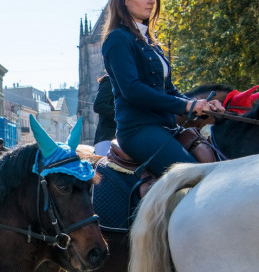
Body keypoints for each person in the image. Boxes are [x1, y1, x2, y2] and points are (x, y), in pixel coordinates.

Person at [102, 0, 224, 176]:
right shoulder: (118, 39)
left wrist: (201, 106)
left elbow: (169, 90)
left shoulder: (150, 41)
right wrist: (186, 106)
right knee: (194, 176)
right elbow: (132, 90)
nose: (151, 1)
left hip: (167, 127)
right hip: (138, 130)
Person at [93, 73, 117, 156]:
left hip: (127, 135)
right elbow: (99, 105)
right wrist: (122, 114)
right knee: (103, 166)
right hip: (107, 136)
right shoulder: (109, 80)